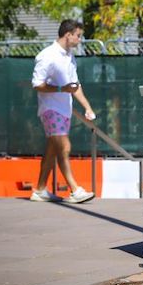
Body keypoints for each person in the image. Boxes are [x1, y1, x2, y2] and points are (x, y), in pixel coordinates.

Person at [30, 19, 96, 204]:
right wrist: (61, 89)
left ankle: (40, 190)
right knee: (64, 147)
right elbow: (37, 84)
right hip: (50, 110)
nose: (79, 40)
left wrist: (87, 107)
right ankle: (75, 190)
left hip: (64, 110)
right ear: (68, 35)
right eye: (78, 36)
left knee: (52, 151)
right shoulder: (47, 55)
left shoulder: (69, 56)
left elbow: (74, 86)